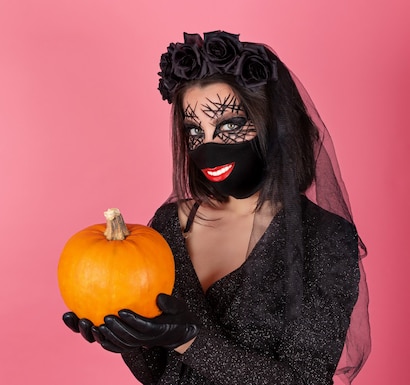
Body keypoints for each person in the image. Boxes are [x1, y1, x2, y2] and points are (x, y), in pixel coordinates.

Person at [62, 31, 370, 385]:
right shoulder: (168, 226)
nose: (208, 147)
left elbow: (304, 380)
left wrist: (190, 341)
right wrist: (128, 339)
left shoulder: (326, 237)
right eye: (195, 131)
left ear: (275, 125)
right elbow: (161, 375)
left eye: (230, 125)